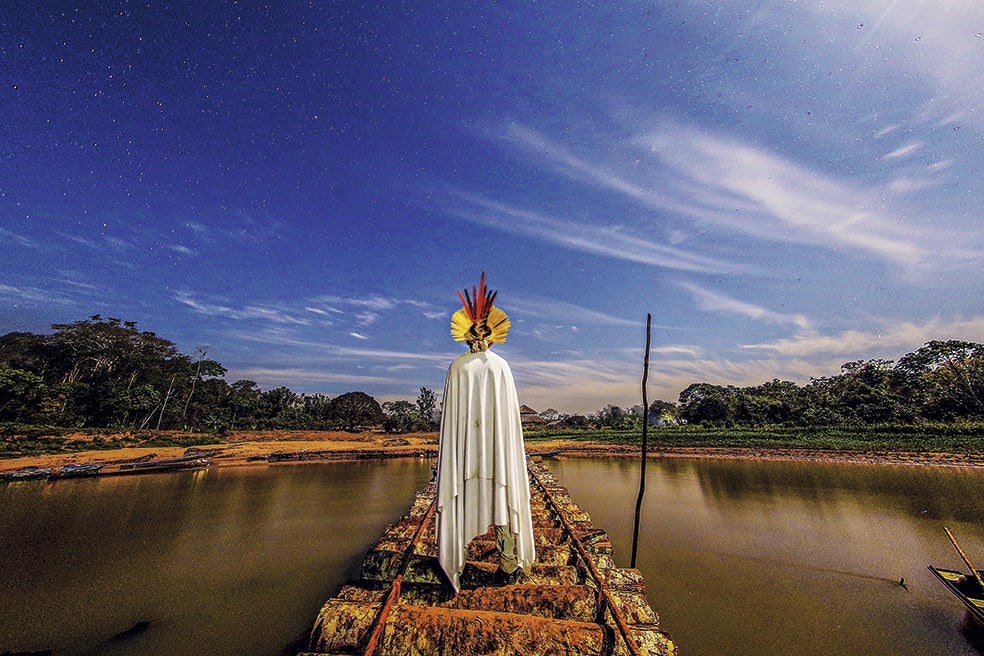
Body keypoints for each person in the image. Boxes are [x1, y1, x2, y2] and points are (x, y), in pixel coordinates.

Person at [435, 272, 536, 591]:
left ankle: (459, 560)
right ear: (492, 336)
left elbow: (453, 419)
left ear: (466, 336)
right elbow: (507, 421)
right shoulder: (501, 367)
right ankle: (508, 566)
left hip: (465, 459)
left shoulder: (457, 367)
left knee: (463, 502)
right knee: (503, 504)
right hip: (497, 458)